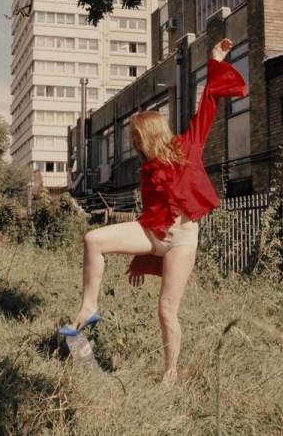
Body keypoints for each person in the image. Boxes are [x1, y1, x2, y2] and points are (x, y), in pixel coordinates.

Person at [59, 37, 247, 386]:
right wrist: (142, 255)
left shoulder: (188, 146)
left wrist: (216, 60)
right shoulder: (146, 170)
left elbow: (208, 101)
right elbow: (151, 215)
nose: (133, 143)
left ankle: (170, 375)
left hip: (183, 239)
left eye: (135, 137)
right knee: (93, 239)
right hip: (155, 233)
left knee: (166, 310)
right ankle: (89, 306)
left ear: (149, 133)